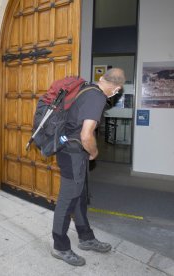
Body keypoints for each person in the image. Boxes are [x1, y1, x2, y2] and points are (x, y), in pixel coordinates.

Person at [51, 68, 126, 266]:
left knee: (79, 198)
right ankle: (60, 246)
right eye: (117, 91)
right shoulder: (98, 98)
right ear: (116, 88)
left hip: (71, 151)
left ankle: (86, 237)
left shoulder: (87, 88)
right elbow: (86, 135)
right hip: (73, 154)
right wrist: (93, 152)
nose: (115, 93)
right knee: (67, 200)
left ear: (102, 78)